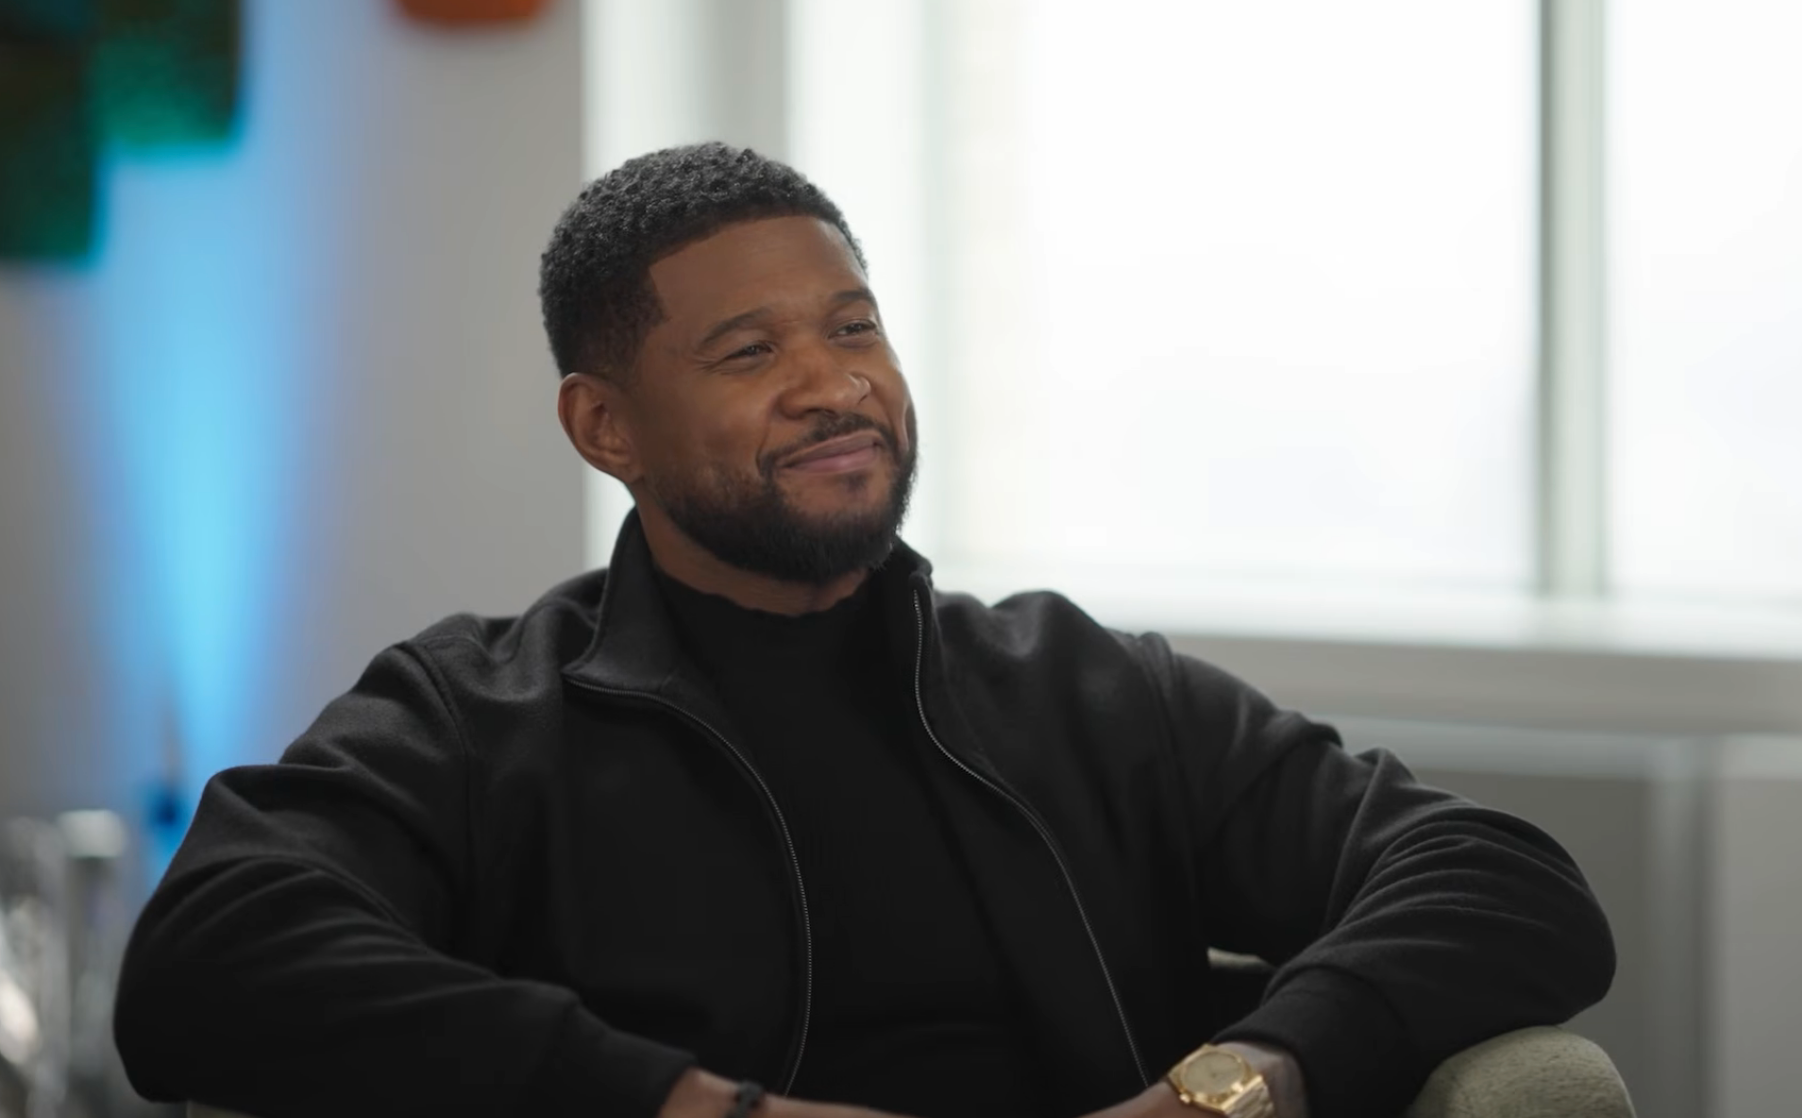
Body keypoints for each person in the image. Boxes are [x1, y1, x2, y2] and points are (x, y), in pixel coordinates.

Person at [113, 143, 1614, 1118]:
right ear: (606, 426)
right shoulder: (478, 714)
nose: (835, 385)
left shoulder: (1081, 687)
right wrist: (693, 1106)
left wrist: (1235, 1080)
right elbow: (208, 961)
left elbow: (1503, 880)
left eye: (853, 326)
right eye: (747, 350)